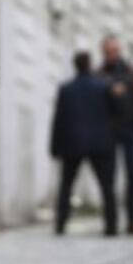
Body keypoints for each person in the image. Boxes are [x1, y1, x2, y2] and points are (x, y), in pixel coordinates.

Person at [51, 52, 118, 235]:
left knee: (66, 186)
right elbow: (115, 114)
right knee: (106, 186)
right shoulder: (103, 87)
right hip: (100, 143)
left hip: (73, 143)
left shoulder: (67, 89)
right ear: (89, 64)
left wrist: (55, 147)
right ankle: (111, 225)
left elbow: (59, 120)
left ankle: (61, 223)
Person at [100, 35, 133, 236]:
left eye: (113, 50)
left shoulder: (132, 74)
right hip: (109, 133)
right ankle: (111, 222)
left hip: (131, 130)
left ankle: (132, 220)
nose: (111, 54)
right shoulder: (100, 74)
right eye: (107, 51)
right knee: (109, 179)